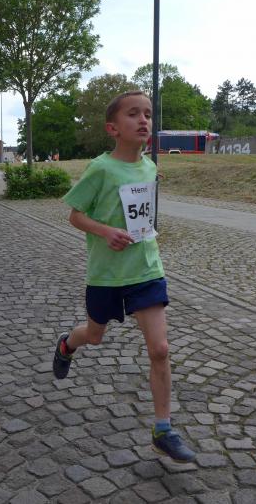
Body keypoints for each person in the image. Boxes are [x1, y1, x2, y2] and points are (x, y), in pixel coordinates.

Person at [51, 90, 195, 463]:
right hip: (106, 275)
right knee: (94, 336)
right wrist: (106, 232)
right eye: (133, 114)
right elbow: (74, 215)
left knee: (160, 349)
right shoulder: (100, 168)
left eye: (147, 113)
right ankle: (67, 345)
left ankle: (163, 429)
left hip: (146, 269)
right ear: (112, 128)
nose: (143, 120)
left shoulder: (149, 167)